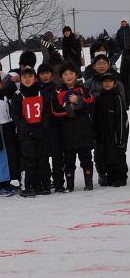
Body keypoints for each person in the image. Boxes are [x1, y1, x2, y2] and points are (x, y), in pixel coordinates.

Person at [52, 62, 95, 192]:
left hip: (83, 131)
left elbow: (91, 106)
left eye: (71, 73)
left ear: (76, 75)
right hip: (67, 133)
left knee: (86, 158)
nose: (69, 76)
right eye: (65, 74)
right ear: (61, 77)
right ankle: (70, 185)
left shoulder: (83, 89)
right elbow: (55, 111)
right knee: (69, 161)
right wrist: (69, 108)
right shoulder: (58, 92)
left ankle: (89, 183)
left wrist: (79, 101)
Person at [9, 67, 52, 197]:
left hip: (40, 131)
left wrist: (42, 126)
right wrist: (26, 129)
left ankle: (42, 185)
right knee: (28, 159)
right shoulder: (17, 95)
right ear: (20, 79)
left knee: (42, 158)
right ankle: (26, 186)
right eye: (24, 77)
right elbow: (15, 115)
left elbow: (46, 112)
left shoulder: (41, 92)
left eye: (30, 76)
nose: (27, 79)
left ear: (35, 78)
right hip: (25, 133)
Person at [92, 71, 128, 187]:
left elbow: (122, 120)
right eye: (105, 82)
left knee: (117, 156)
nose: (107, 84)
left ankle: (120, 177)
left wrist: (121, 138)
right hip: (102, 134)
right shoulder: (98, 99)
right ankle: (108, 176)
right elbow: (94, 118)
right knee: (102, 156)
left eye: (110, 82)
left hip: (115, 135)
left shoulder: (117, 98)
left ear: (114, 83)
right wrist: (94, 134)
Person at [37, 64, 65, 192]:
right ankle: (46, 183)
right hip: (41, 127)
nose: (45, 76)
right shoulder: (36, 90)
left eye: (47, 73)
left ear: (52, 75)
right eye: (42, 74)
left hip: (55, 126)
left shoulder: (57, 89)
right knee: (43, 157)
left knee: (57, 156)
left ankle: (59, 183)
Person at [115, 20, 130, 103]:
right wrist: (119, 48)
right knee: (124, 65)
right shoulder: (119, 31)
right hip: (123, 51)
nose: (123, 24)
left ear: (126, 23)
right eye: (122, 23)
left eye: (124, 22)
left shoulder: (129, 29)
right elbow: (117, 40)